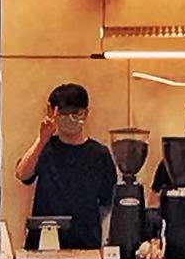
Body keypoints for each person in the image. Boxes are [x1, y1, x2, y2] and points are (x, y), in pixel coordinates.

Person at [15, 83, 116, 250]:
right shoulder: (45, 148)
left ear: (85, 113)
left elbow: (108, 201)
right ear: (53, 113)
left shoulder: (99, 154)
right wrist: (42, 139)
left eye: (75, 113)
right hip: (42, 243)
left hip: (85, 244)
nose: (70, 119)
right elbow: (22, 174)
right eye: (63, 113)